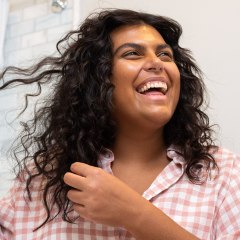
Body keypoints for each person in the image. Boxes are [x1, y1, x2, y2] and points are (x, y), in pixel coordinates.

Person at [0, 8, 240, 240]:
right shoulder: (40, 179)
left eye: (165, 54)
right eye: (133, 53)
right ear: (97, 79)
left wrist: (134, 214)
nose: (157, 63)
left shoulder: (224, 172)